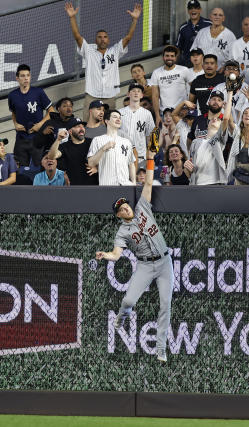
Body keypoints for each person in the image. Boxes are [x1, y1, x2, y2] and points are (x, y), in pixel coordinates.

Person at [96, 146, 173, 362]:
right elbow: (116, 254)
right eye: (121, 209)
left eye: (125, 205)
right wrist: (106, 255)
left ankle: (160, 349)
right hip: (146, 266)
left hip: (165, 262)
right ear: (119, 215)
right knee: (129, 300)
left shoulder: (142, 208)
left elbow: (148, 183)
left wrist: (150, 158)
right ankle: (121, 318)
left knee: (165, 304)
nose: (125, 209)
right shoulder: (122, 231)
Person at [65, 2, 142, 119]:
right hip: (92, 96)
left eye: (105, 37)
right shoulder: (89, 51)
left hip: (110, 96)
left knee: (109, 125)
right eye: (99, 37)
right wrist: (72, 17)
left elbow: (128, 37)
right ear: (95, 40)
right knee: (88, 125)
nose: (102, 39)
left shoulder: (115, 51)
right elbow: (77, 36)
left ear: (109, 40)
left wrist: (135, 20)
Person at [8, 64, 53, 167]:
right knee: (20, 170)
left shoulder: (38, 92)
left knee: (41, 167)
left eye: (28, 75)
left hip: (38, 138)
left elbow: (51, 111)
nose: (26, 78)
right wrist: (15, 123)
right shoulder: (12, 95)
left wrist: (40, 124)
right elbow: (13, 112)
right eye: (23, 76)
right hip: (21, 138)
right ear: (17, 78)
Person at [188, 91, 227, 185]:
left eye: (219, 100)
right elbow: (190, 140)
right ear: (208, 102)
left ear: (223, 104)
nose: (216, 102)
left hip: (215, 174)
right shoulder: (198, 119)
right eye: (213, 99)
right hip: (198, 174)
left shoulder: (223, 122)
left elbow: (226, 119)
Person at [87, 109, 136, 185]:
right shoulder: (97, 140)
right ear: (106, 121)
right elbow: (91, 163)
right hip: (107, 186)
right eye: (115, 117)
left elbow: (131, 164)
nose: (118, 119)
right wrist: (103, 148)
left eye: (119, 118)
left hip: (125, 185)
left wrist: (134, 182)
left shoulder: (127, 142)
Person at [150, 46, 190, 125]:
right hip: (165, 113)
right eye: (167, 56)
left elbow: (192, 89)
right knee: (166, 137)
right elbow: (155, 96)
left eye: (172, 56)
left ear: (176, 57)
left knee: (182, 136)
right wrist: (157, 115)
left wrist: (188, 107)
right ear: (163, 57)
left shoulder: (184, 70)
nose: (169, 58)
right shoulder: (156, 72)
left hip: (181, 112)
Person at [120, 83, 156, 167]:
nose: (136, 93)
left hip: (141, 157)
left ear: (142, 95)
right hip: (122, 155)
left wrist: (150, 155)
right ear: (128, 94)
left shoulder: (147, 113)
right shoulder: (120, 112)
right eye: (133, 91)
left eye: (139, 91)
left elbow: (151, 136)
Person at [176, 0, 211, 67]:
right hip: (188, 65)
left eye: (196, 8)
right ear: (188, 11)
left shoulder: (209, 24)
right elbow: (178, 48)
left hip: (206, 65)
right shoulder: (183, 27)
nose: (193, 10)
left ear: (200, 10)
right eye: (190, 8)